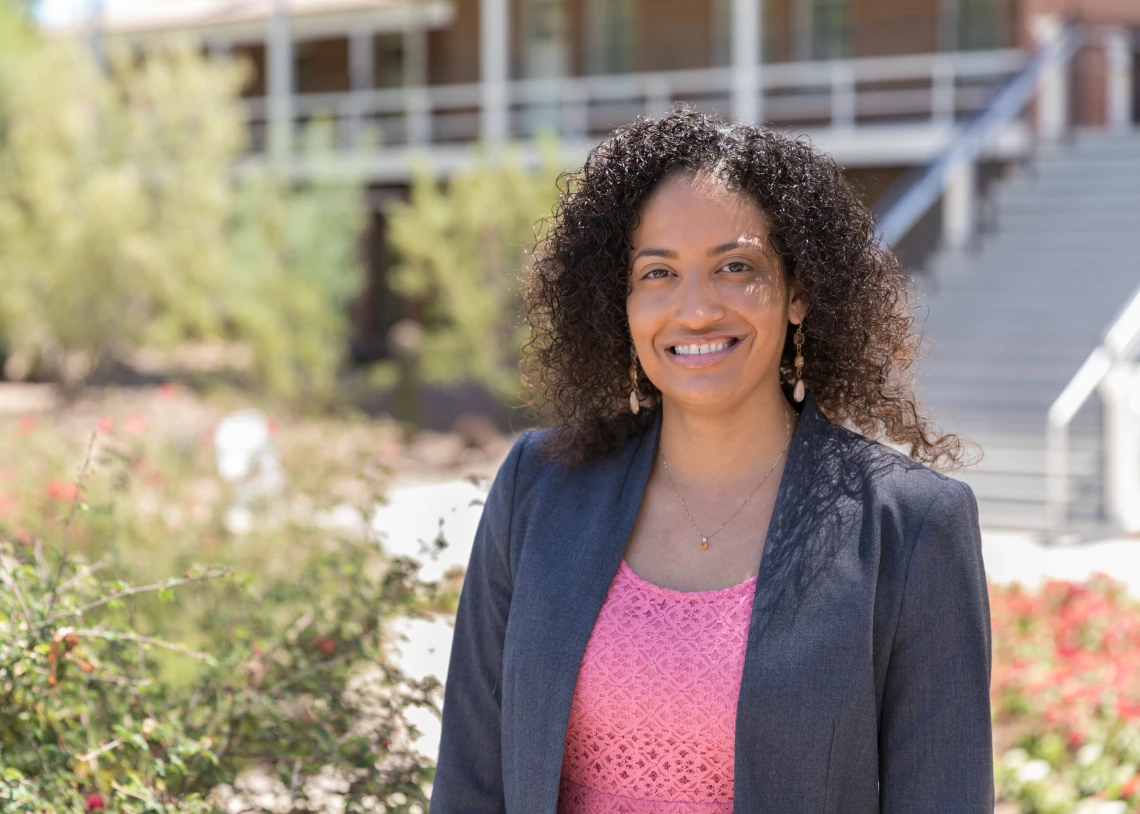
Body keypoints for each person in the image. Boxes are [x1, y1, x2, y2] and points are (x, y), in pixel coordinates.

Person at [429, 105, 993, 814]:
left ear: (800, 291)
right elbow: (469, 786)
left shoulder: (910, 528)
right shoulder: (540, 485)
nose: (695, 310)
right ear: (621, 302)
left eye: (735, 267)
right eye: (657, 273)